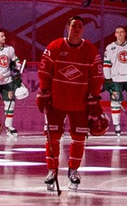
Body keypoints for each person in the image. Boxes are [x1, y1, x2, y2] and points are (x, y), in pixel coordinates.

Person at [37, 16, 101, 192]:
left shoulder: (89, 49)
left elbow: (96, 75)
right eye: (74, 26)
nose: (77, 29)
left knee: (79, 138)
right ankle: (52, 170)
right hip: (57, 101)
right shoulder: (55, 46)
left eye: (80, 26)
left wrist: (94, 96)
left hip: (80, 102)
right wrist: (44, 91)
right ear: (67, 27)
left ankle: (73, 170)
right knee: (52, 137)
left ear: (83, 30)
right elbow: (44, 70)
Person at [0, 29, 24, 134]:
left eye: (4, 36)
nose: (4, 38)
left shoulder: (9, 49)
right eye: (2, 36)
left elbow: (16, 61)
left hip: (8, 81)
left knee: (10, 103)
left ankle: (9, 126)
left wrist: (16, 68)